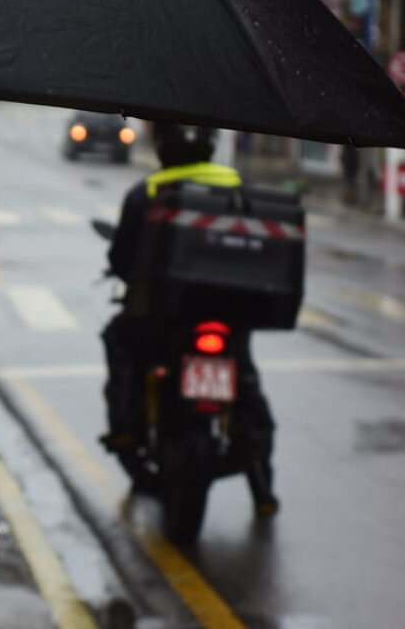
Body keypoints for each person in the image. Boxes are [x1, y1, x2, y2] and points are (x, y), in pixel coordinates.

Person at [101, 123, 275, 499]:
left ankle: (125, 428)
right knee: (246, 383)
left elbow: (120, 257)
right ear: (212, 147)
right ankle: (262, 485)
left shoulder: (146, 190)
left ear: (162, 147)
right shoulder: (239, 185)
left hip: (160, 319)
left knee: (119, 342)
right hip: (231, 314)